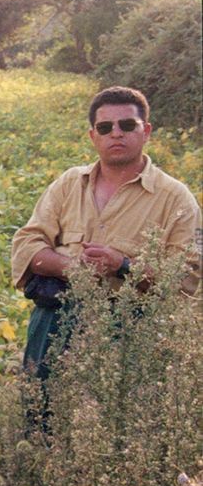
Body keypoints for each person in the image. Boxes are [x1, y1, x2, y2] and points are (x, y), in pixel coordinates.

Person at [11, 86, 201, 387]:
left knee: (117, 423)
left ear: (146, 131)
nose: (116, 133)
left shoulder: (176, 199)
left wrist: (123, 265)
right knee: (42, 418)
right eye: (105, 127)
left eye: (127, 125)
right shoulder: (69, 183)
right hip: (55, 321)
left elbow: (186, 281)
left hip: (132, 331)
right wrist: (73, 268)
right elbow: (26, 243)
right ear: (93, 136)